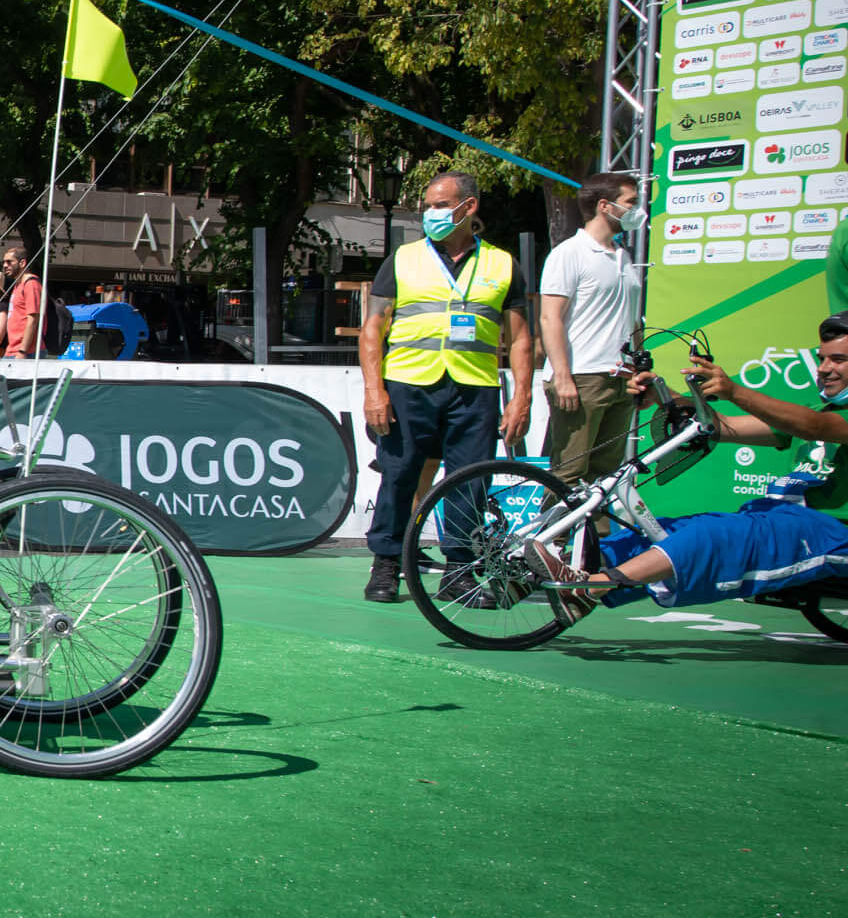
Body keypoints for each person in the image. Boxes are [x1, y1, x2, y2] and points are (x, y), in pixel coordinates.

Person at [528, 319, 848, 623]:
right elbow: (721, 427)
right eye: (821, 358)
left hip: (833, 532)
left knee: (711, 537)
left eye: (838, 360)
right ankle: (535, 577)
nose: (822, 369)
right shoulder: (822, 411)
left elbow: (813, 426)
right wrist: (663, 397)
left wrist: (734, 391)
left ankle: (589, 590)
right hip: (783, 515)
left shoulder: (820, 420)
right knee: (671, 531)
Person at [358, 171, 533, 604]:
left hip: (474, 388)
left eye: (440, 205)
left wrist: (522, 397)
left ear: (468, 208)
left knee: (469, 482)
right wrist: (373, 391)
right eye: (428, 206)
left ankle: (460, 572)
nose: (430, 214)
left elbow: (522, 337)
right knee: (398, 477)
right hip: (408, 384)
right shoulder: (402, 259)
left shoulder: (503, 264)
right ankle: (386, 566)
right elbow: (372, 329)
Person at [538, 172, 645, 490]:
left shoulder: (623, 256)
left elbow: (632, 320)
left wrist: (638, 367)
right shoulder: (568, 253)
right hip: (582, 377)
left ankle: (593, 541)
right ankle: (551, 540)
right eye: (631, 203)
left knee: (603, 475)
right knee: (568, 473)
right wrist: (563, 376)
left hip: (620, 377)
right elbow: (550, 318)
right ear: (604, 205)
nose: (638, 210)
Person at [0, 246, 43, 360]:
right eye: (4, 262)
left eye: (9, 262)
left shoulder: (31, 284)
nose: (5, 265)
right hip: (12, 350)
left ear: (22, 263)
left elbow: (33, 319)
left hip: (26, 352)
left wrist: (23, 351)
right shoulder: (18, 285)